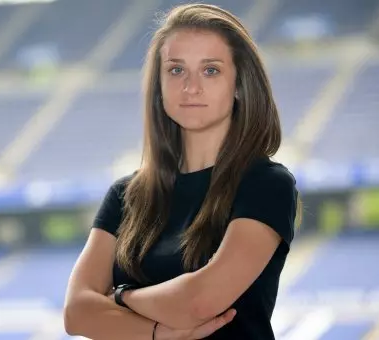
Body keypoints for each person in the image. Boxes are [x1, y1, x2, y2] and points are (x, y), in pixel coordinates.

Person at [63, 3, 302, 339]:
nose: (191, 87)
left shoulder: (266, 184)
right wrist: (159, 334)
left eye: (211, 70)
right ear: (159, 86)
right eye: (176, 70)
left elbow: (200, 302)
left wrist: (120, 296)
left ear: (239, 84)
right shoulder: (124, 195)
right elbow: (76, 313)